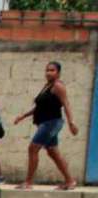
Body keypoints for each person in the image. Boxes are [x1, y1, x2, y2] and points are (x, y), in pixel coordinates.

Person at [13, 61, 80, 190]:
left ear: (58, 73)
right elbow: (39, 107)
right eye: (47, 70)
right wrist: (23, 116)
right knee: (52, 152)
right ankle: (70, 181)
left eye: (52, 70)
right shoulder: (47, 86)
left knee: (33, 148)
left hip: (52, 122)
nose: (49, 72)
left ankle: (28, 182)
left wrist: (71, 122)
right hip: (45, 122)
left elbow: (66, 104)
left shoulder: (58, 86)